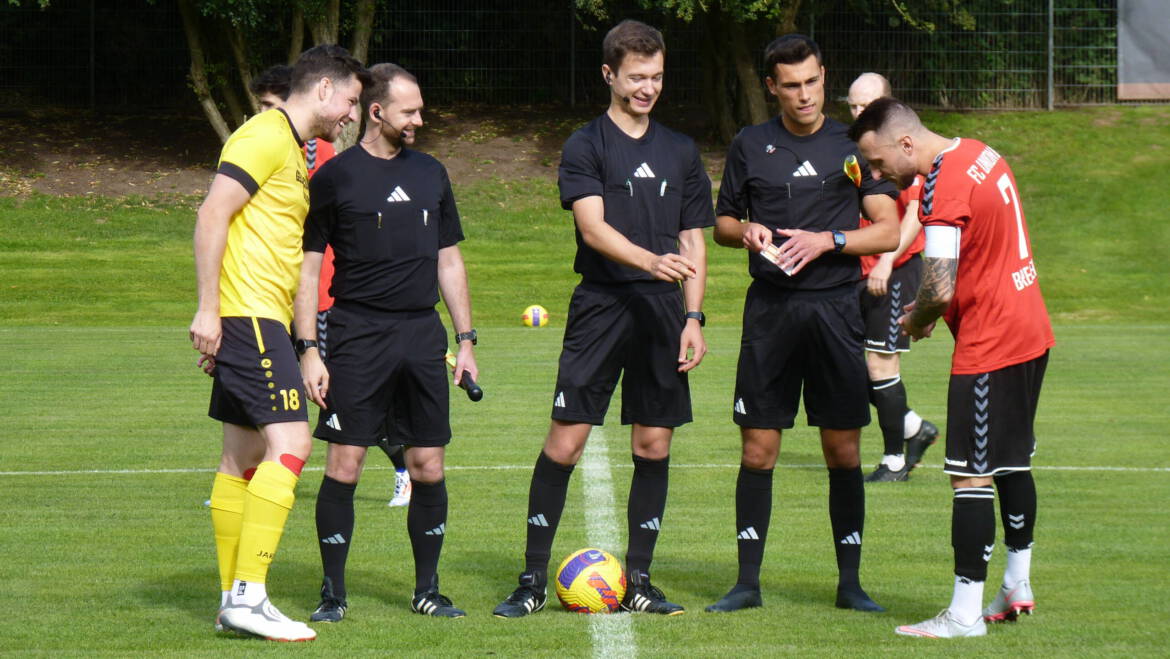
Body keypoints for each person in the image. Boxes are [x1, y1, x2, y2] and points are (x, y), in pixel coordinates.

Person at [492, 19, 713, 618]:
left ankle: (639, 579)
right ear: (609, 74)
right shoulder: (586, 144)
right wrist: (650, 261)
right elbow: (592, 227)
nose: (648, 88)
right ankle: (533, 579)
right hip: (602, 306)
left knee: (654, 441)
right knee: (566, 441)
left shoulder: (681, 150)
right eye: (637, 77)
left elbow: (694, 240)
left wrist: (694, 317)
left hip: (666, 311)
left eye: (657, 77)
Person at [705, 34, 900, 614]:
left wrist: (828, 240)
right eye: (791, 85)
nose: (804, 95)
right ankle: (746, 584)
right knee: (759, 448)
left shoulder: (854, 142)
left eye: (812, 81)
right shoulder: (750, 143)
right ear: (772, 88)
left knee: (842, 450)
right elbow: (722, 222)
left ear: (824, 77)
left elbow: (887, 229)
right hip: (771, 310)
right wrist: (748, 231)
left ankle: (850, 584)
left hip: (837, 309)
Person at [851, 97, 1054, 638]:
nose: (878, 176)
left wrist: (914, 320)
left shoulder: (945, 182)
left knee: (970, 475)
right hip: (1031, 327)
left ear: (906, 144)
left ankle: (964, 615)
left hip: (992, 343)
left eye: (877, 163)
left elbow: (938, 286)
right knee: (1011, 462)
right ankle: (1017, 584)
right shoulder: (981, 152)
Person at [191, 44, 367, 642]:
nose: (350, 113)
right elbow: (213, 214)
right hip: (248, 319)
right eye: (349, 101)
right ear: (323, 89)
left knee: (239, 458)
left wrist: (308, 343)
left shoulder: (293, 151)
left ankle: (228, 599)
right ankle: (249, 596)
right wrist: (210, 312)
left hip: (260, 321)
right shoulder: (263, 136)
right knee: (292, 444)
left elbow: (292, 259)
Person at [293, 62, 478, 622]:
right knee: (344, 465)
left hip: (422, 335)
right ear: (377, 112)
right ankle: (333, 595)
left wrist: (465, 339)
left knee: (428, 464)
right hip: (356, 333)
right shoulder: (335, 176)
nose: (420, 119)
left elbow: (449, 259)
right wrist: (309, 348)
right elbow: (306, 271)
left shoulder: (431, 173)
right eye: (410, 111)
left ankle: (428, 590)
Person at [253, 64, 414, 507]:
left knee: (340, 400)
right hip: (272, 298)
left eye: (271, 105)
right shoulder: (268, 148)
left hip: (320, 302)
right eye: (261, 106)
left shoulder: (321, 158)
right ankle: (246, 476)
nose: (265, 113)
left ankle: (402, 467)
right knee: (265, 391)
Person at [847, 73, 939, 482]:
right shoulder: (855, 153)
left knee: (880, 365)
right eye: (852, 106)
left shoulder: (905, 155)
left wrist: (885, 262)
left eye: (867, 105)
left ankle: (893, 461)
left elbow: (916, 217)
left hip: (896, 269)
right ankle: (915, 429)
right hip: (859, 273)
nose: (859, 112)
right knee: (854, 366)